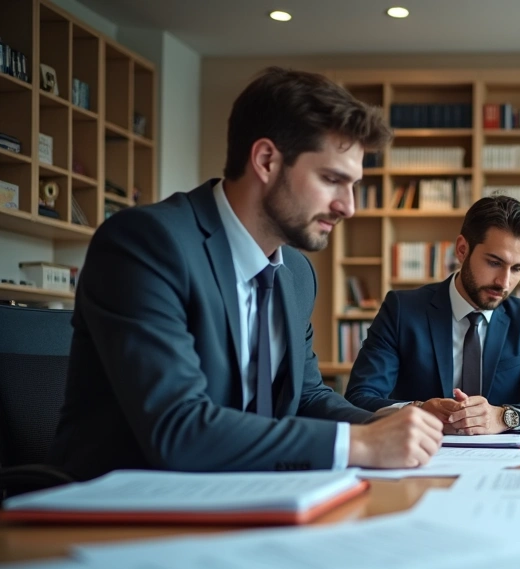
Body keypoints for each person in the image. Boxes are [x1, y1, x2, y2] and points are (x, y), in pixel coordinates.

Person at [50, 67, 444, 480]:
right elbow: (178, 428)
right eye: (332, 179)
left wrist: (395, 423)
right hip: (119, 510)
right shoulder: (146, 244)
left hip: (240, 494)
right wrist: (359, 445)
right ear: (266, 160)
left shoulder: (295, 273)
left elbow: (306, 396)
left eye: (354, 186)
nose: (349, 206)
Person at [344, 195, 520, 434]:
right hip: (421, 458)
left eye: (517, 269)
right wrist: (417, 410)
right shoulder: (402, 310)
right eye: (494, 262)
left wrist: (505, 417)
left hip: (499, 462)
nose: (504, 282)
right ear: (462, 250)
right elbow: (358, 398)